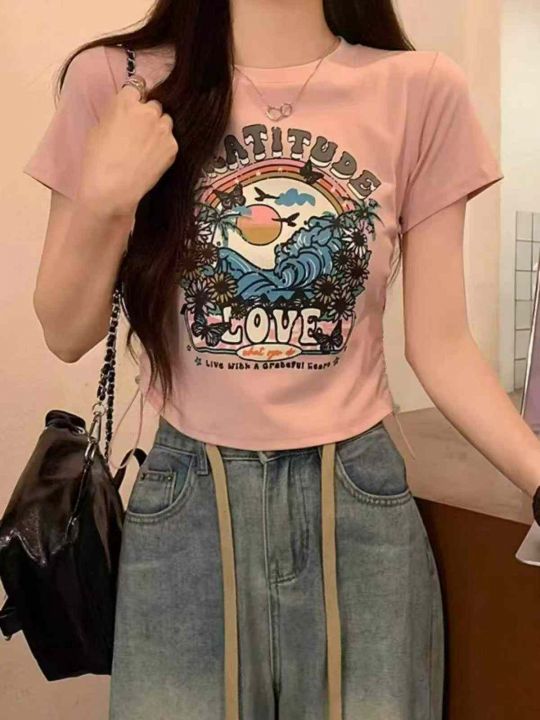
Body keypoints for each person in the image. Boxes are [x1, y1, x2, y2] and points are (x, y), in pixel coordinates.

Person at [22, 1, 540, 718]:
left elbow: (441, 344)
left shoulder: (420, 89)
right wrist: (107, 200)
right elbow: (65, 330)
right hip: (186, 505)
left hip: (358, 507)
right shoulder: (118, 80)